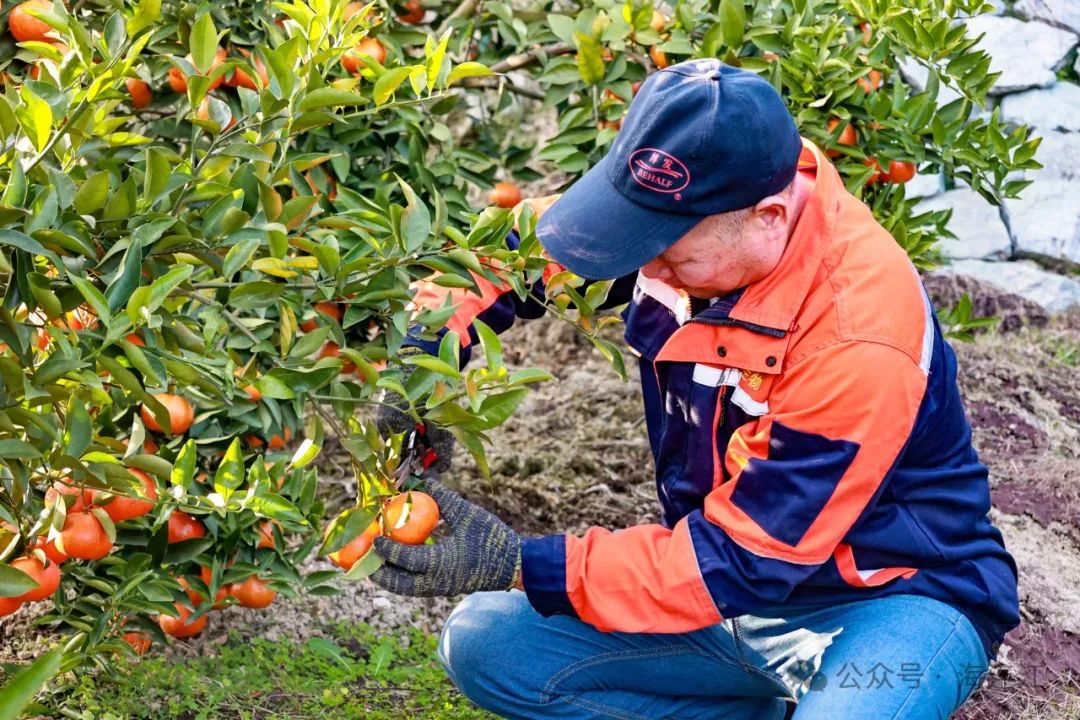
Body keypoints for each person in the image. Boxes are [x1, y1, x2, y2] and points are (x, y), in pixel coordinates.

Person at [370, 58, 1020, 720]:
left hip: (893, 601)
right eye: (637, 232)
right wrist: (426, 352)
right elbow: (513, 250)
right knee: (490, 647)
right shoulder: (692, 219)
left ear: (769, 216)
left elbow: (742, 558)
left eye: (668, 248)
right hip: (734, 603)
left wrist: (520, 563)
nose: (644, 263)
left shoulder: (857, 339)